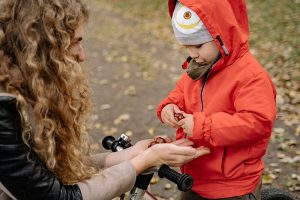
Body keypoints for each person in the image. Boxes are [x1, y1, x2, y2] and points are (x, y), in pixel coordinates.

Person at [0, 0, 211, 199]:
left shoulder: (23, 88)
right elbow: (58, 196)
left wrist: (126, 157)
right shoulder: (3, 113)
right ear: (42, 48)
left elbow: (45, 173)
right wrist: (144, 161)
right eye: (75, 42)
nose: (82, 56)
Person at [157, 0, 277, 199]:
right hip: (195, 175)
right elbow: (181, 92)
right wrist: (169, 106)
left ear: (220, 35)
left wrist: (202, 127)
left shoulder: (250, 76)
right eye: (186, 46)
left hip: (233, 182)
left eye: (198, 45)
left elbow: (257, 122)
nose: (193, 54)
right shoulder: (199, 66)